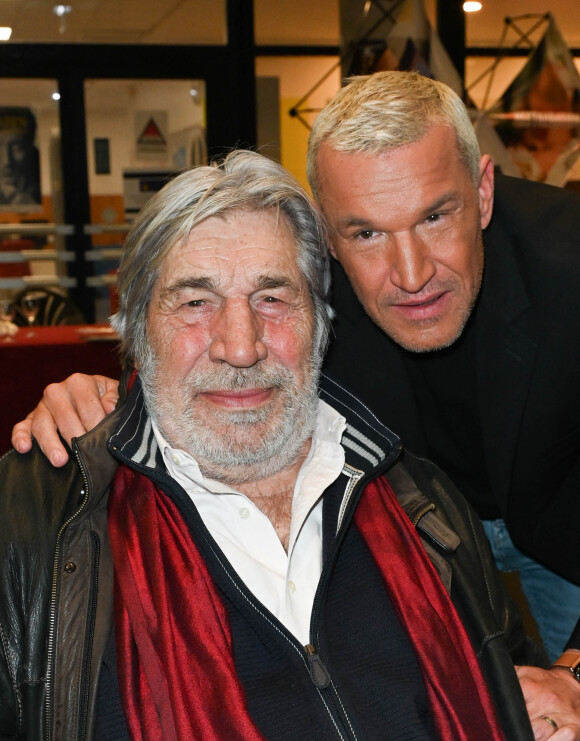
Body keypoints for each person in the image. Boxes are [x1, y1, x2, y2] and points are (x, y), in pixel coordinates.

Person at [10, 73, 580, 737]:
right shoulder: (298, 289)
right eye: (365, 232)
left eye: (434, 215)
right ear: (327, 233)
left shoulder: (568, 262)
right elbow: (208, 339)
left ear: (483, 192)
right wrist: (107, 404)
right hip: (432, 522)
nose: (412, 271)